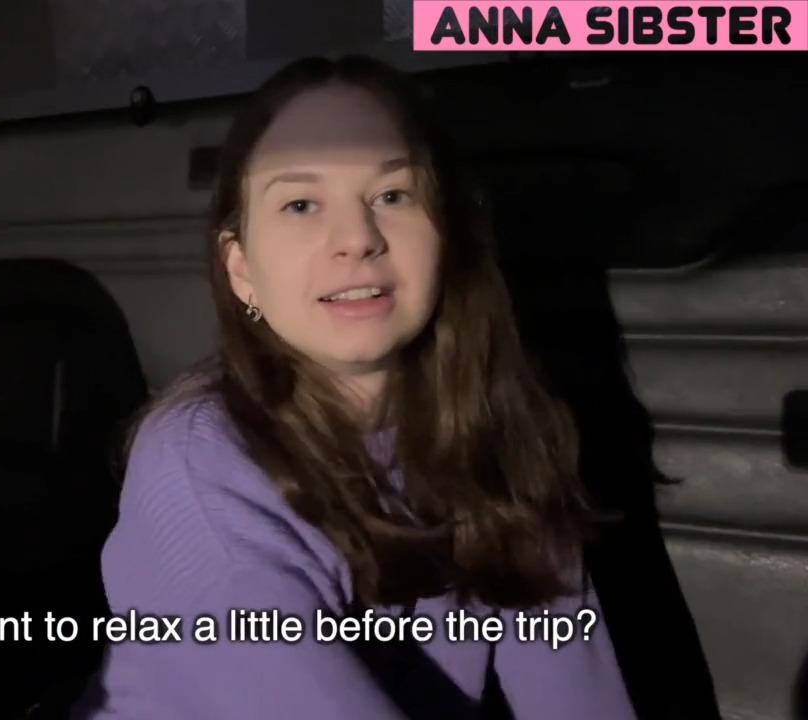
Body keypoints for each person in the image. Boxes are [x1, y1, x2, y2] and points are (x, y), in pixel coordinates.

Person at [68, 55, 636, 719]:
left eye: (392, 196)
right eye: (300, 204)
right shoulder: (200, 467)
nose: (357, 239)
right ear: (241, 269)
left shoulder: (499, 423)